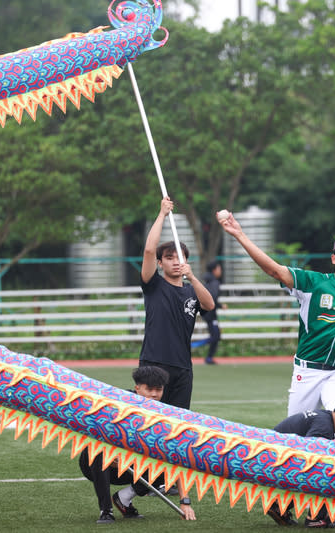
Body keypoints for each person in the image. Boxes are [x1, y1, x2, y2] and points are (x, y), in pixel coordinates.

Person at [217, 210, 335, 416]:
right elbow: (274, 270)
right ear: (333, 258)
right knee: (296, 432)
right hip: (307, 370)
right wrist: (240, 235)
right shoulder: (313, 283)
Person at [79, 366, 196, 522]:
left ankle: (124, 498)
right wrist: (112, 452)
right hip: (99, 464)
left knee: (168, 466)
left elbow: (177, 457)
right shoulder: (118, 402)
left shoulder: (165, 416)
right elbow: (92, 428)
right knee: (96, 450)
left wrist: (185, 502)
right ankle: (106, 511)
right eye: (149, 389)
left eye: (158, 390)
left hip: (130, 467)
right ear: (137, 388)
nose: (154, 395)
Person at [139, 197, 214, 409]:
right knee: (149, 418)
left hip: (182, 367)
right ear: (161, 263)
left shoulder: (192, 290)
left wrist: (193, 278)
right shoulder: (153, 285)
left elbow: (209, 305)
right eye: (169, 257)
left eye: (179, 257)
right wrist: (162, 214)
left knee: (180, 420)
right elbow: (149, 251)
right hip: (154, 363)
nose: (175, 261)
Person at [266, 393, 335, 528]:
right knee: (330, 469)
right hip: (273, 464)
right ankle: (317, 517)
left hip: (272, 460)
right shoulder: (324, 427)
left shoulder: (324, 418)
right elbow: (312, 462)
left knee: (325, 464)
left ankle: (279, 507)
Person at [197, 260, 225, 365]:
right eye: (219, 269)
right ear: (214, 270)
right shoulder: (215, 283)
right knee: (215, 336)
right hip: (210, 314)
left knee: (215, 335)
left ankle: (208, 357)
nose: (220, 271)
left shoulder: (207, 281)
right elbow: (212, 298)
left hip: (207, 313)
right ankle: (195, 346)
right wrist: (221, 305)